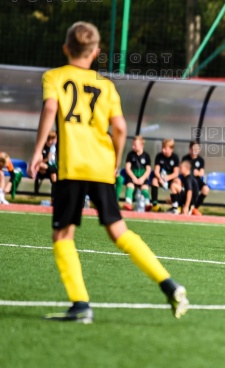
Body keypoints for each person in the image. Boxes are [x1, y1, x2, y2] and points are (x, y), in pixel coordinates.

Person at [28, 21, 189, 323]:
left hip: (72, 165)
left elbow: (50, 110)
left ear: (65, 48)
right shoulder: (107, 86)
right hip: (101, 165)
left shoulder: (55, 76)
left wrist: (37, 152)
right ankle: (169, 284)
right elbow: (121, 128)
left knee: (63, 233)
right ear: (96, 53)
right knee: (118, 230)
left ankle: (80, 305)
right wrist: (115, 159)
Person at [119, 135, 152, 211]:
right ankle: (128, 203)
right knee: (130, 186)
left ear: (142, 145)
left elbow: (148, 169)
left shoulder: (146, 156)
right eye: (132, 144)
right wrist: (133, 178)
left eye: (135, 145)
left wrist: (142, 178)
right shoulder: (130, 155)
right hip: (132, 176)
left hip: (142, 177)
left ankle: (147, 204)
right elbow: (127, 168)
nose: (133, 146)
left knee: (145, 189)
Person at [150, 138, 180, 212]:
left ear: (171, 149)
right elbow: (156, 171)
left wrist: (168, 178)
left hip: (170, 179)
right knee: (154, 180)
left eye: (165, 148)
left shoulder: (175, 157)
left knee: (177, 181)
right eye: (163, 148)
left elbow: (176, 173)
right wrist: (160, 178)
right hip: (161, 179)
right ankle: (155, 205)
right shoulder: (159, 156)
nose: (163, 150)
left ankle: (176, 206)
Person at [181, 140, 209, 215]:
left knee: (205, 189)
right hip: (188, 180)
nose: (194, 151)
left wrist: (198, 173)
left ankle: (194, 208)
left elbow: (201, 173)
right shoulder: (185, 158)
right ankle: (180, 206)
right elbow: (182, 171)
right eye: (193, 149)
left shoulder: (201, 160)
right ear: (190, 149)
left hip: (197, 181)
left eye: (197, 149)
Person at [35, 131, 58, 197]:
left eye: (55, 139)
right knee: (52, 172)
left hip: (52, 169)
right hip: (43, 170)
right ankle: (54, 198)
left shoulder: (56, 148)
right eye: (52, 140)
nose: (54, 142)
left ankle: (54, 198)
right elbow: (39, 162)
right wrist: (48, 158)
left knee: (54, 175)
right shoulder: (42, 148)